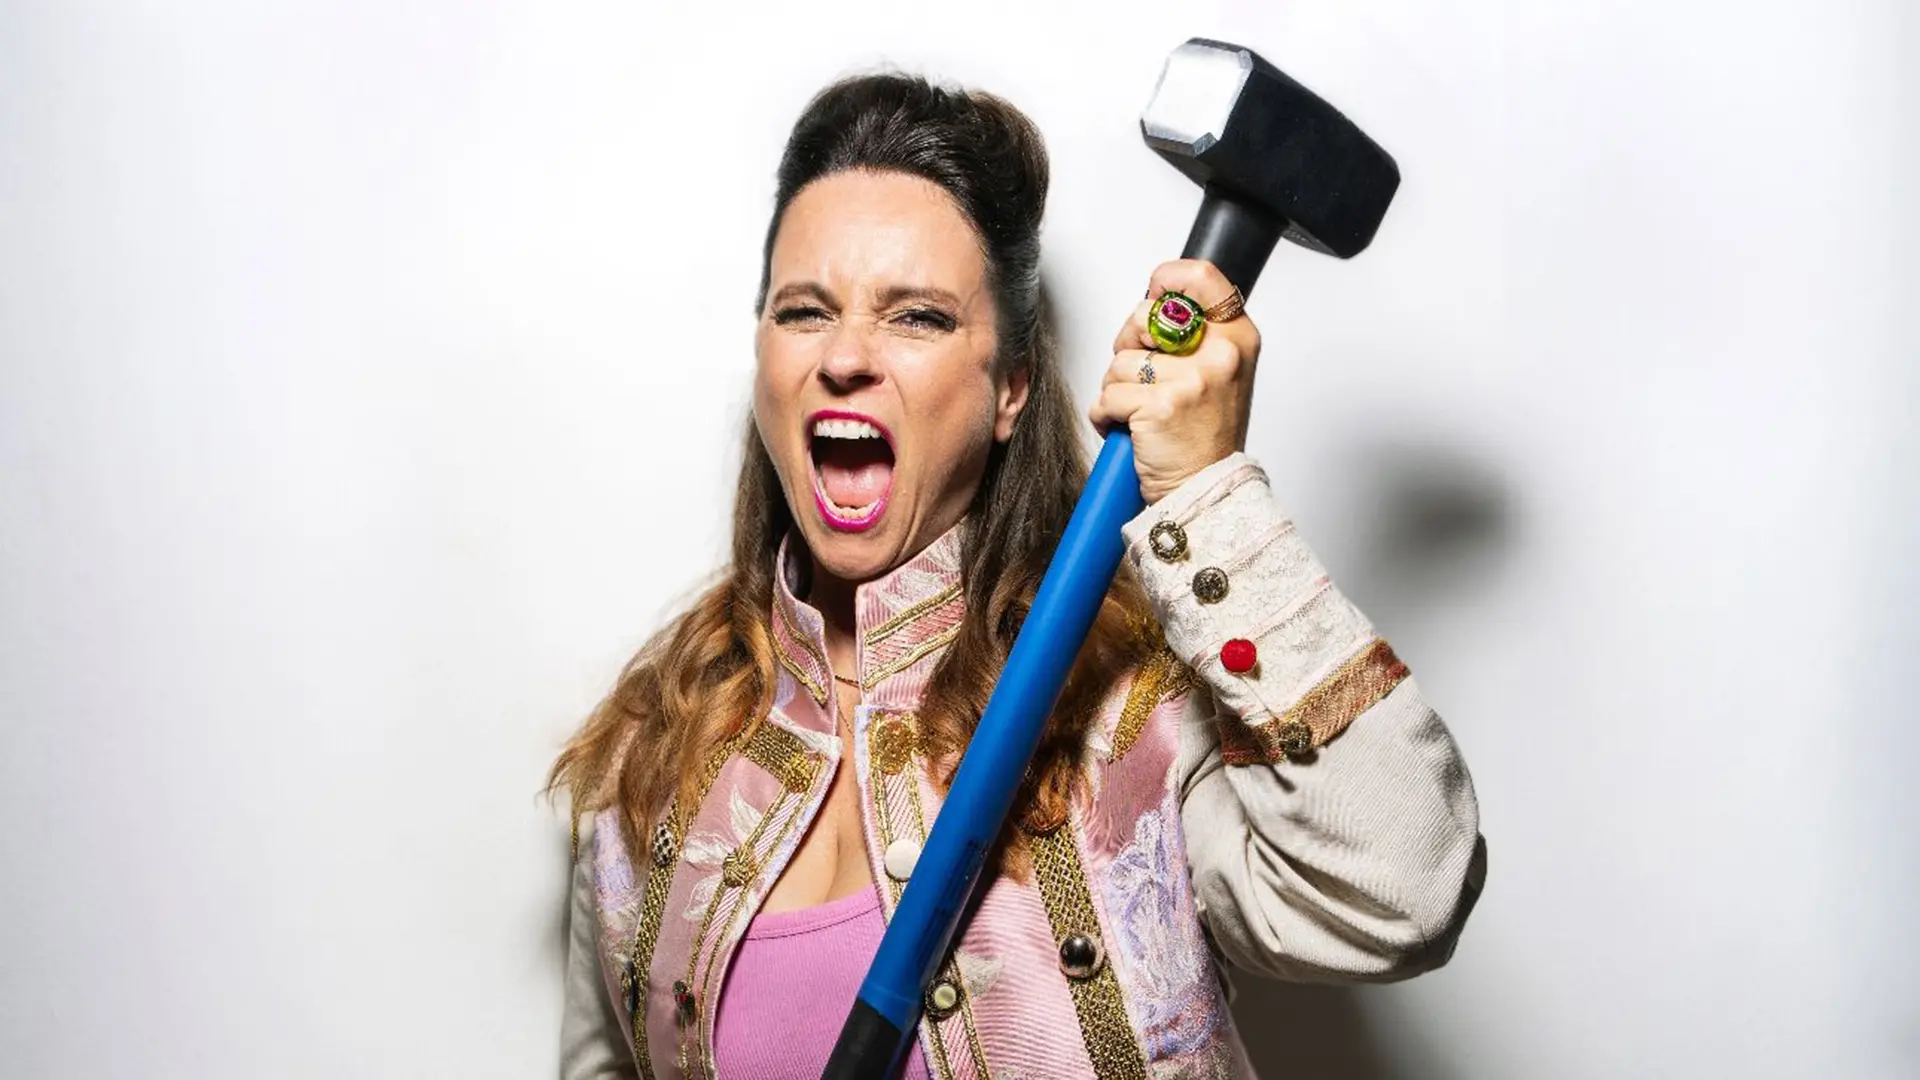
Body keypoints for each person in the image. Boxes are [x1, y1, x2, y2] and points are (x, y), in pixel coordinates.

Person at [552, 71, 1485, 1080]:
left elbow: (1401, 894)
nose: (845, 356)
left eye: (917, 317)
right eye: (804, 311)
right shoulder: (657, 745)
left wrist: (1208, 495)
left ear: (1010, 390)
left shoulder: (1134, 716)